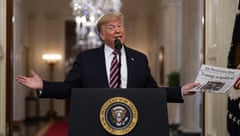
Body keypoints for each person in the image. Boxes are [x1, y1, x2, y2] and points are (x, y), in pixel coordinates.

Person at [16, 12, 199, 103]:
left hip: (132, 122)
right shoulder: (86, 60)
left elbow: (150, 92)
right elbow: (70, 88)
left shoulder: (139, 59)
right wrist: (43, 86)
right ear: (102, 36)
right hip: (96, 123)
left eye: (120, 26)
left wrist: (180, 91)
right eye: (111, 28)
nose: (118, 30)